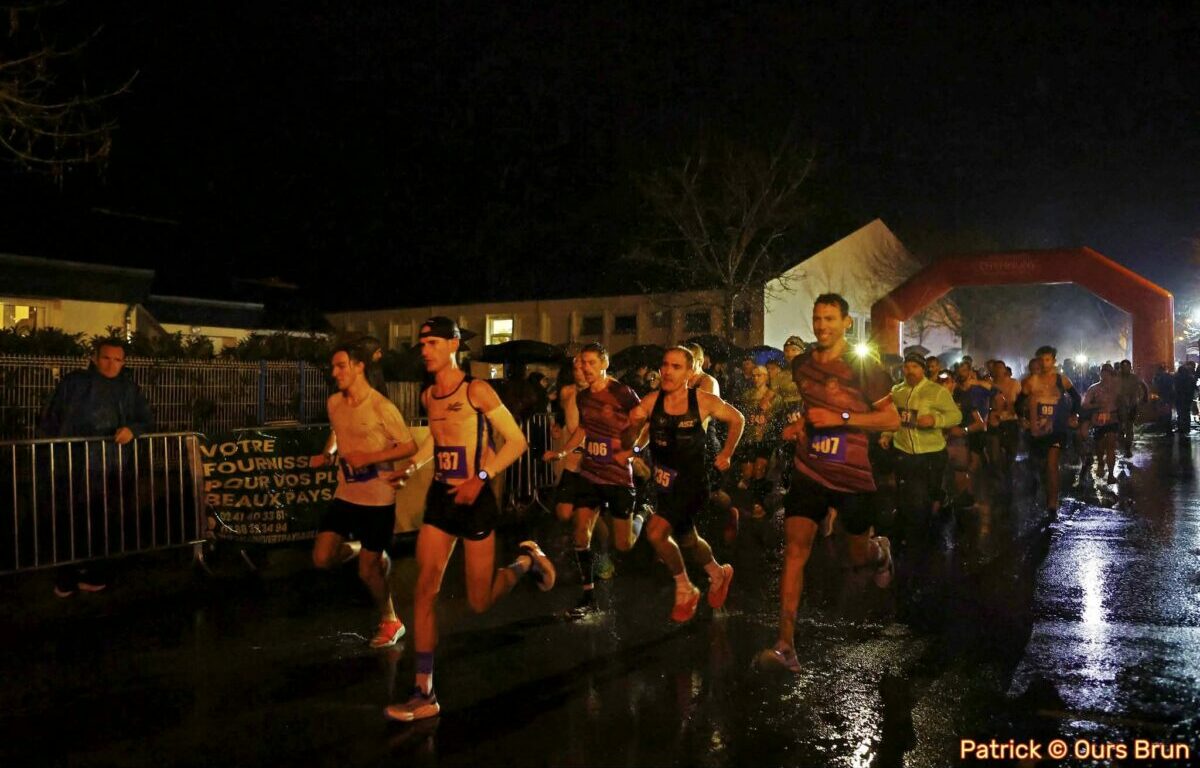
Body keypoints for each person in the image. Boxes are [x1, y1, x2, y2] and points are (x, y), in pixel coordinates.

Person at [384, 317, 555, 722]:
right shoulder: (429, 396)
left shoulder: (475, 389)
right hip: (441, 500)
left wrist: (480, 478)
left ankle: (527, 561)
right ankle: (423, 691)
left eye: (432, 343)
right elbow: (438, 443)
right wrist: (413, 465)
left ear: (453, 344)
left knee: (479, 601)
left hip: (475, 502)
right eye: (421, 343)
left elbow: (516, 443)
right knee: (424, 591)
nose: (424, 349)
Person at [763, 294, 900, 672]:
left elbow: (891, 420)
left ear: (846, 324)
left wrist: (841, 415)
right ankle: (785, 644)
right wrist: (801, 425)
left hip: (851, 474)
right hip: (810, 469)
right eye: (817, 318)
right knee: (794, 550)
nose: (821, 325)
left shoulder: (864, 368)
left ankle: (880, 552)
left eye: (829, 319)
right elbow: (812, 408)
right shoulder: (803, 364)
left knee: (854, 555)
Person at [622, 347, 745, 621]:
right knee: (688, 540)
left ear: (690, 373)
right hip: (665, 482)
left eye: (676, 366)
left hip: (693, 482)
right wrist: (632, 431)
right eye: (665, 365)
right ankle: (718, 572)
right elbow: (632, 440)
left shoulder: (702, 400)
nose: (667, 371)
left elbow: (738, 419)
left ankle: (685, 588)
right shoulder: (652, 401)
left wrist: (726, 453)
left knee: (656, 533)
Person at [310, 344, 419, 648]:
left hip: (378, 499)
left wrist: (370, 457)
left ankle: (390, 619)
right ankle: (362, 548)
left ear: (359, 366)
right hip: (346, 493)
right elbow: (338, 431)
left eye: (341, 366)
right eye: (333, 367)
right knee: (321, 557)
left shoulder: (382, 406)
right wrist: (328, 452)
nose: (335, 373)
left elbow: (409, 447)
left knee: (367, 572)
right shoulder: (334, 403)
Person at [38, 337, 154, 597]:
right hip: (72, 466)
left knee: (103, 518)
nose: (112, 364)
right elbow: (51, 419)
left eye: (118, 360)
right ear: (94, 357)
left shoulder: (128, 388)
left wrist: (132, 430)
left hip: (111, 466)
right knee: (68, 518)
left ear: (124, 362)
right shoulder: (73, 383)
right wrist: (51, 457)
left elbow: (146, 420)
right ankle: (66, 575)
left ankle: (95, 572)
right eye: (106, 358)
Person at [544, 342, 648, 616]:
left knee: (623, 544)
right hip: (590, 473)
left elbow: (643, 422)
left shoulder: (623, 393)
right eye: (582, 363)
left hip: (616, 476)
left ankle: (642, 517)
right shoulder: (583, 396)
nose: (585, 368)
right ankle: (588, 598)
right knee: (580, 532)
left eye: (591, 363)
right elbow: (583, 429)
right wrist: (563, 451)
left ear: (604, 363)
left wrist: (631, 451)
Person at [882, 353, 961, 605]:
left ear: (923, 369)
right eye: (907, 366)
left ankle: (928, 546)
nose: (910, 370)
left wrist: (936, 419)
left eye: (915, 366)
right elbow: (892, 418)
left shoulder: (936, 392)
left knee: (925, 505)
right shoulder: (897, 391)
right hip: (905, 455)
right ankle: (910, 556)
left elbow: (956, 416)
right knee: (911, 507)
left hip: (931, 455)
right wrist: (886, 433)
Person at [1022, 345, 1080, 514]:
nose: (1045, 363)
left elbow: (1076, 398)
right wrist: (1023, 418)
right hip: (1037, 429)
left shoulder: (1062, 380)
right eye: (1041, 360)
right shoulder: (1030, 382)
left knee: (1052, 464)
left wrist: (1073, 415)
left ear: (1054, 361)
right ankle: (1043, 490)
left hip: (1057, 428)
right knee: (1040, 465)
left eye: (1048, 360)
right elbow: (1019, 403)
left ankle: (1052, 503)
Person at [1080, 363, 1121, 483]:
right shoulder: (1094, 388)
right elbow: (1085, 404)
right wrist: (1097, 405)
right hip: (1098, 420)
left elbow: (1123, 401)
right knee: (1100, 446)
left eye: (1108, 373)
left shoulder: (1117, 388)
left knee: (1111, 446)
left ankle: (1111, 474)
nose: (1105, 375)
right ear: (1100, 374)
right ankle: (1101, 462)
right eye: (1103, 373)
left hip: (1113, 419)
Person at [1117, 359, 1147, 458]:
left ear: (1130, 367)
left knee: (1129, 427)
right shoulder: (1116, 378)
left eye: (1127, 367)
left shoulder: (1135, 378)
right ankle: (1121, 443)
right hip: (1119, 406)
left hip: (1132, 405)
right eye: (1123, 367)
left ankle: (1127, 448)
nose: (1125, 369)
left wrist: (1144, 398)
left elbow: (1143, 386)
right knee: (1119, 427)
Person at [1174, 363, 1196, 432]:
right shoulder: (1190, 378)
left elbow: (1175, 388)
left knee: (1180, 413)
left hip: (1179, 398)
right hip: (1188, 399)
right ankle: (1187, 427)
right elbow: (1193, 388)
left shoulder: (1177, 377)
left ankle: (1180, 427)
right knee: (1186, 413)